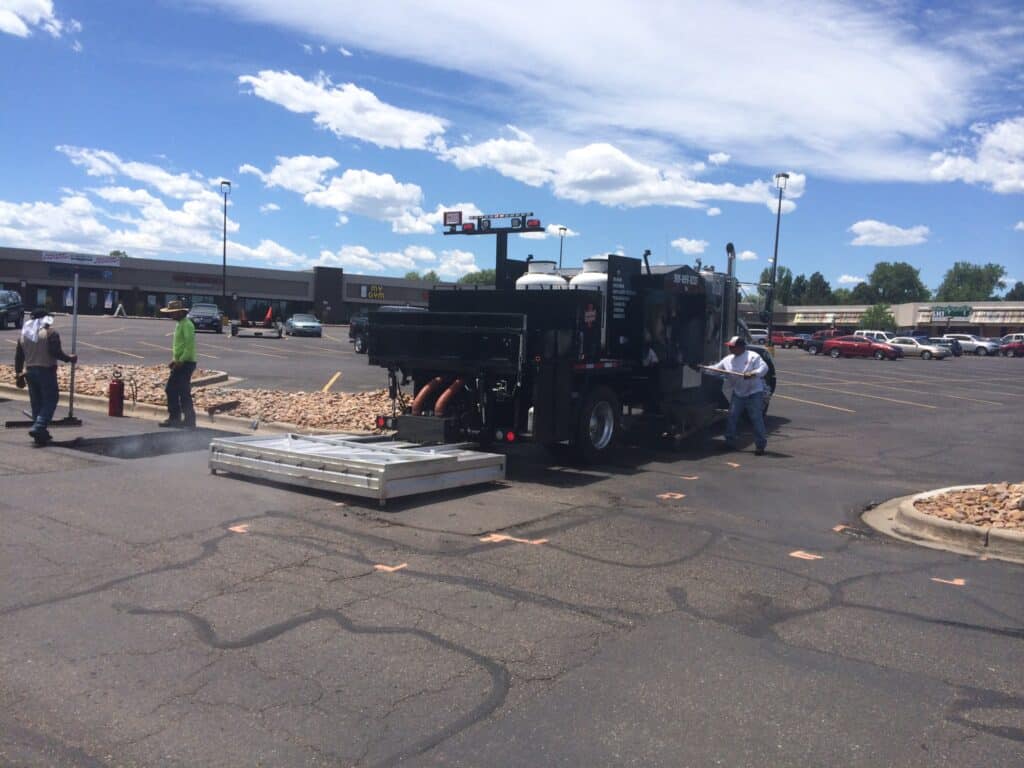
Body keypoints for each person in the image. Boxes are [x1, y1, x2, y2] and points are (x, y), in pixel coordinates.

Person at [14, 309, 78, 445]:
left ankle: (40, 434)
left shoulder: (23, 336)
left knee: (36, 402)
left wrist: (18, 373)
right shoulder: (51, 333)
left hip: (29, 372)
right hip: (46, 371)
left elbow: (19, 357)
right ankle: (39, 426)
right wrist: (69, 358)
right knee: (50, 399)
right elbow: (55, 352)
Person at [705, 335, 770, 455]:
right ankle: (729, 442)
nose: (730, 349)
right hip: (738, 393)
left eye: (732, 347)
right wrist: (702, 369)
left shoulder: (752, 356)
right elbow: (716, 369)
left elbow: (764, 368)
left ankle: (760, 446)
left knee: (756, 418)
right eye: (729, 347)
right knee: (732, 417)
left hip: (753, 392)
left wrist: (753, 374)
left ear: (741, 347)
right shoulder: (728, 359)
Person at [159, 299, 197, 428]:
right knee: (180, 391)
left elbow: (189, 345)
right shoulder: (181, 324)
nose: (171, 315)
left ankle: (178, 418)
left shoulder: (186, 325)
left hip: (185, 363)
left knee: (173, 389)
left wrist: (180, 361)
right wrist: (175, 360)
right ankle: (186, 420)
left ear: (181, 312)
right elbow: (181, 346)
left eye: (173, 312)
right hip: (183, 362)